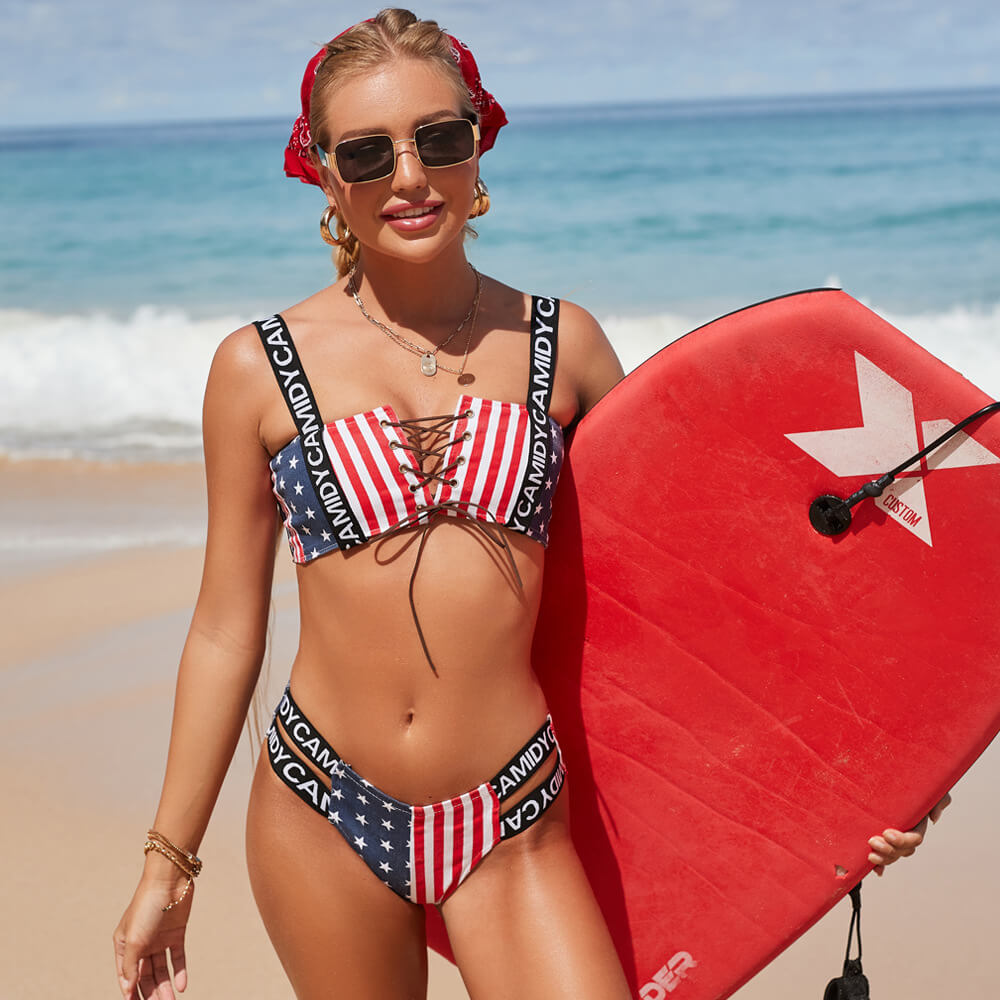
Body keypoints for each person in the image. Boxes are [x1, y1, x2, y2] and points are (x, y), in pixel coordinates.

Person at [112, 10, 945, 999]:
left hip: (511, 812)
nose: (410, 176)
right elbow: (221, 630)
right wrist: (170, 859)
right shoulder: (257, 369)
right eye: (369, 154)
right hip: (319, 803)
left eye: (439, 139)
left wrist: (867, 773)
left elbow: (686, 602)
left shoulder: (565, 346)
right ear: (326, 176)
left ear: (480, 144)